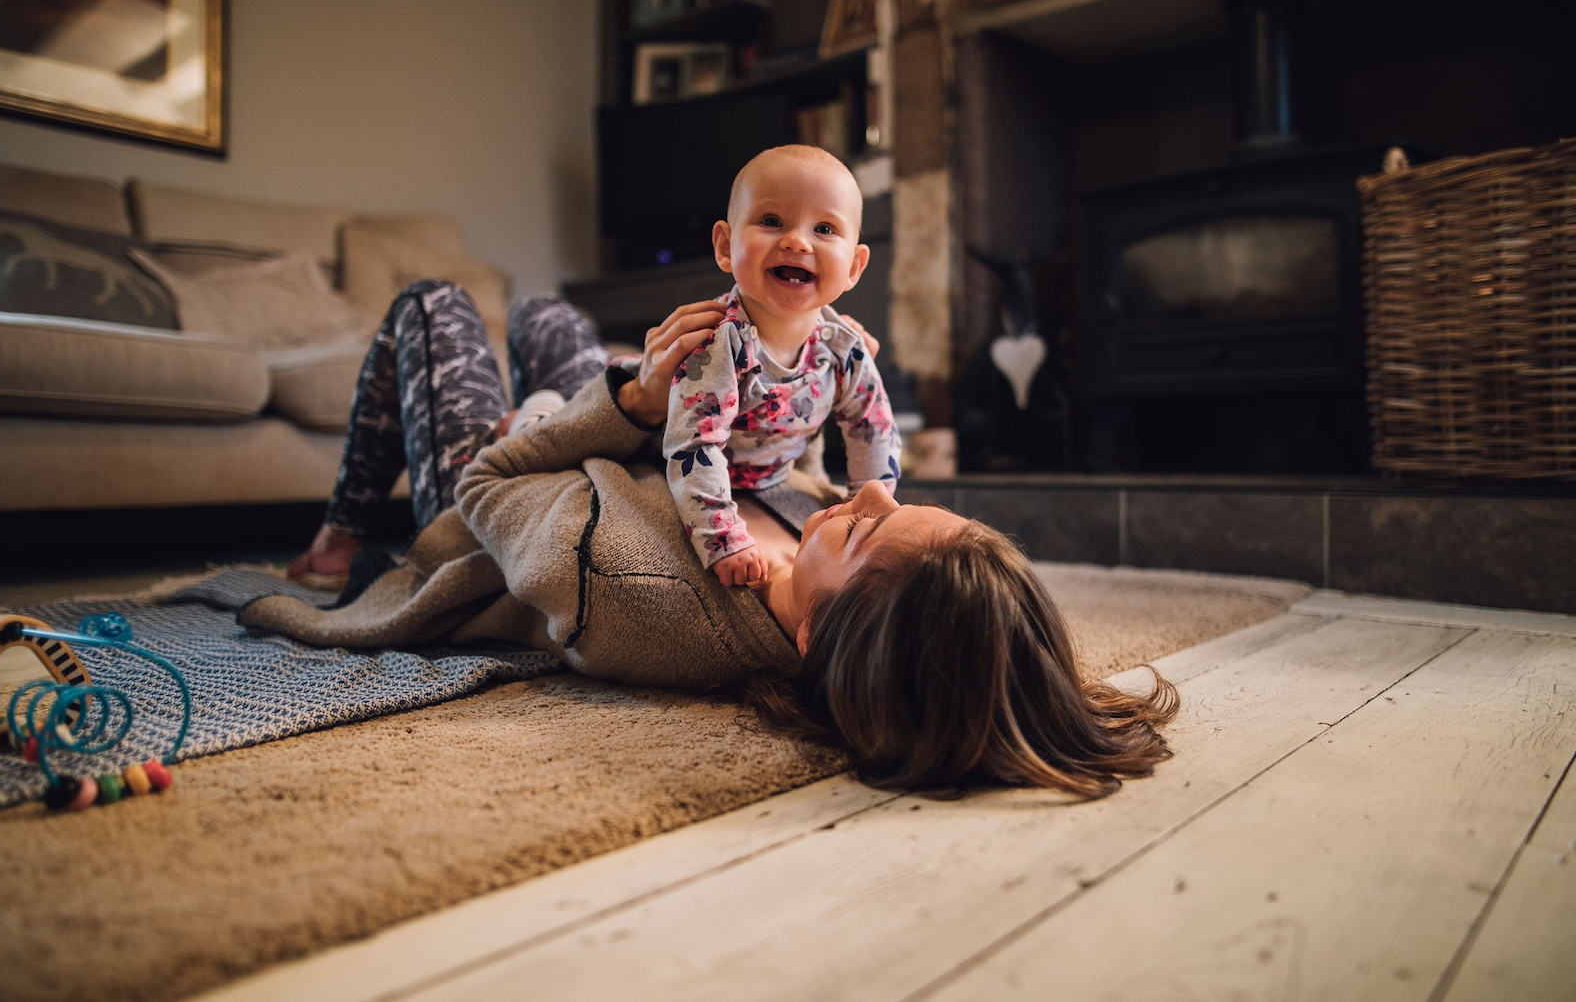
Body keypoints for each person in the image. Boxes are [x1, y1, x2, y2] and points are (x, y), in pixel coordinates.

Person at [269, 278, 1174, 798]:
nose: (870, 498)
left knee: (434, 303)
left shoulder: (629, 587)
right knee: (545, 312)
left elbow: (490, 485)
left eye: (865, 530)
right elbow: (786, 464)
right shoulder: (840, 543)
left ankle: (341, 539)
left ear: (817, 635)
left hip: (502, 484)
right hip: (613, 446)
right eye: (900, 502)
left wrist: (627, 403)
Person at [662, 144, 899, 588]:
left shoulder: (844, 349)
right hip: (684, 464)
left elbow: (874, 430)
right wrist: (723, 539)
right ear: (725, 246)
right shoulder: (720, 342)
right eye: (771, 221)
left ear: (854, 267)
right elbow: (693, 446)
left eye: (825, 228)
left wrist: (868, 521)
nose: (797, 241)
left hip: (775, 476)